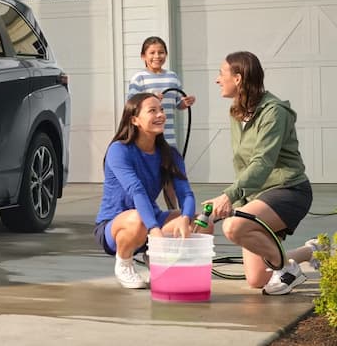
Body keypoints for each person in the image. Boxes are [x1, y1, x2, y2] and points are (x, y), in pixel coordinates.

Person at [203, 51, 322, 295]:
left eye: (221, 73)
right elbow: (243, 164)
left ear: (238, 78)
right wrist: (240, 201)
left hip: (288, 191)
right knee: (257, 279)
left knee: (233, 227)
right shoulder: (236, 113)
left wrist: (228, 196)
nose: (217, 79)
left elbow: (262, 162)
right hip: (258, 198)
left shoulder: (274, 112)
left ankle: (289, 272)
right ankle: (311, 252)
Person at [94, 93, 197, 289]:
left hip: (150, 222)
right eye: (152, 111)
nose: (160, 115)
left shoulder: (170, 154)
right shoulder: (119, 150)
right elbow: (136, 191)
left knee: (202, 222)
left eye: (161, 110)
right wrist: (154, 229)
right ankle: (124, 264)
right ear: (134, 120)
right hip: (116, 227)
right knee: (136, 218)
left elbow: (186, 194)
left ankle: (154, 258)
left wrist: (185, 219)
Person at [127, 36, 196, 148]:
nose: (157, 56)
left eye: (161, 52)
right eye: (152, 53)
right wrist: (151, 99)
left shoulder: (172, 77)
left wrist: (185, 102)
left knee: (168, 163)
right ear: (143, 56)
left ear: (166, 54)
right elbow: (132, 105)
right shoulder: (139, 78)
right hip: (147, 136)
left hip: (168, 135)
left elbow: (178, 104)